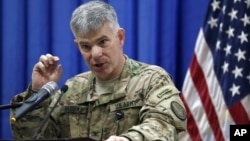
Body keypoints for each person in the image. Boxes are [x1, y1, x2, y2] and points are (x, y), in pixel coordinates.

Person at [10, 1, 186, 141]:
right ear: (77, 46)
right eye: (86, 46)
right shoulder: (72, 89)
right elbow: (32, 136)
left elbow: (164, 127)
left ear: (120, 37)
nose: (95, 54)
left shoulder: (152, 80)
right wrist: (37, 94)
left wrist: (128, 140)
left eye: (102, 42)